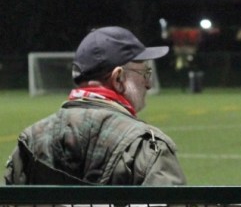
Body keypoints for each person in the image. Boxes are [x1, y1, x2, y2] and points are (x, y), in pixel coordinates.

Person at [4, 26, 186, 185]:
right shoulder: (146, 148)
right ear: (118, 78)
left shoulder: (29, 144)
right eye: (145, 73)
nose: (149, 84)